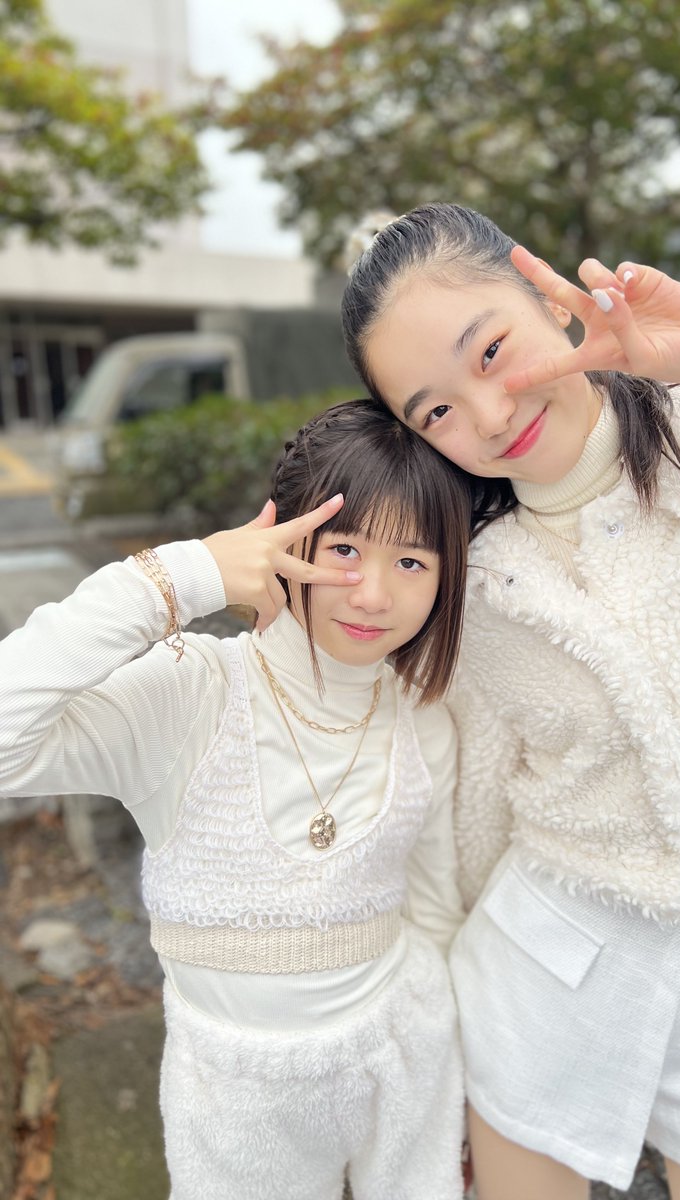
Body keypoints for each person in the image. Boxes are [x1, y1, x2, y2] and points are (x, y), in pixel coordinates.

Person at [340, 203, 680, 1200]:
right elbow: (464, 819)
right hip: (540, 981)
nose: (491, 414)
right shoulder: (472, 582)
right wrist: (433, 1057)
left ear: (550, 299)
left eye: (491, 351)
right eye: (436, 412)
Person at [0, 398, 478, 1200]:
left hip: (404, 1057)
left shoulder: (422, 718)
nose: (371, 594)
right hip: (237, 1098)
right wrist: (181, 577)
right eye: (345, 548)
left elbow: (433, 905)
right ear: (280, 542)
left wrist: (456, 1085)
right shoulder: (193, 695)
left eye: (411, 562)